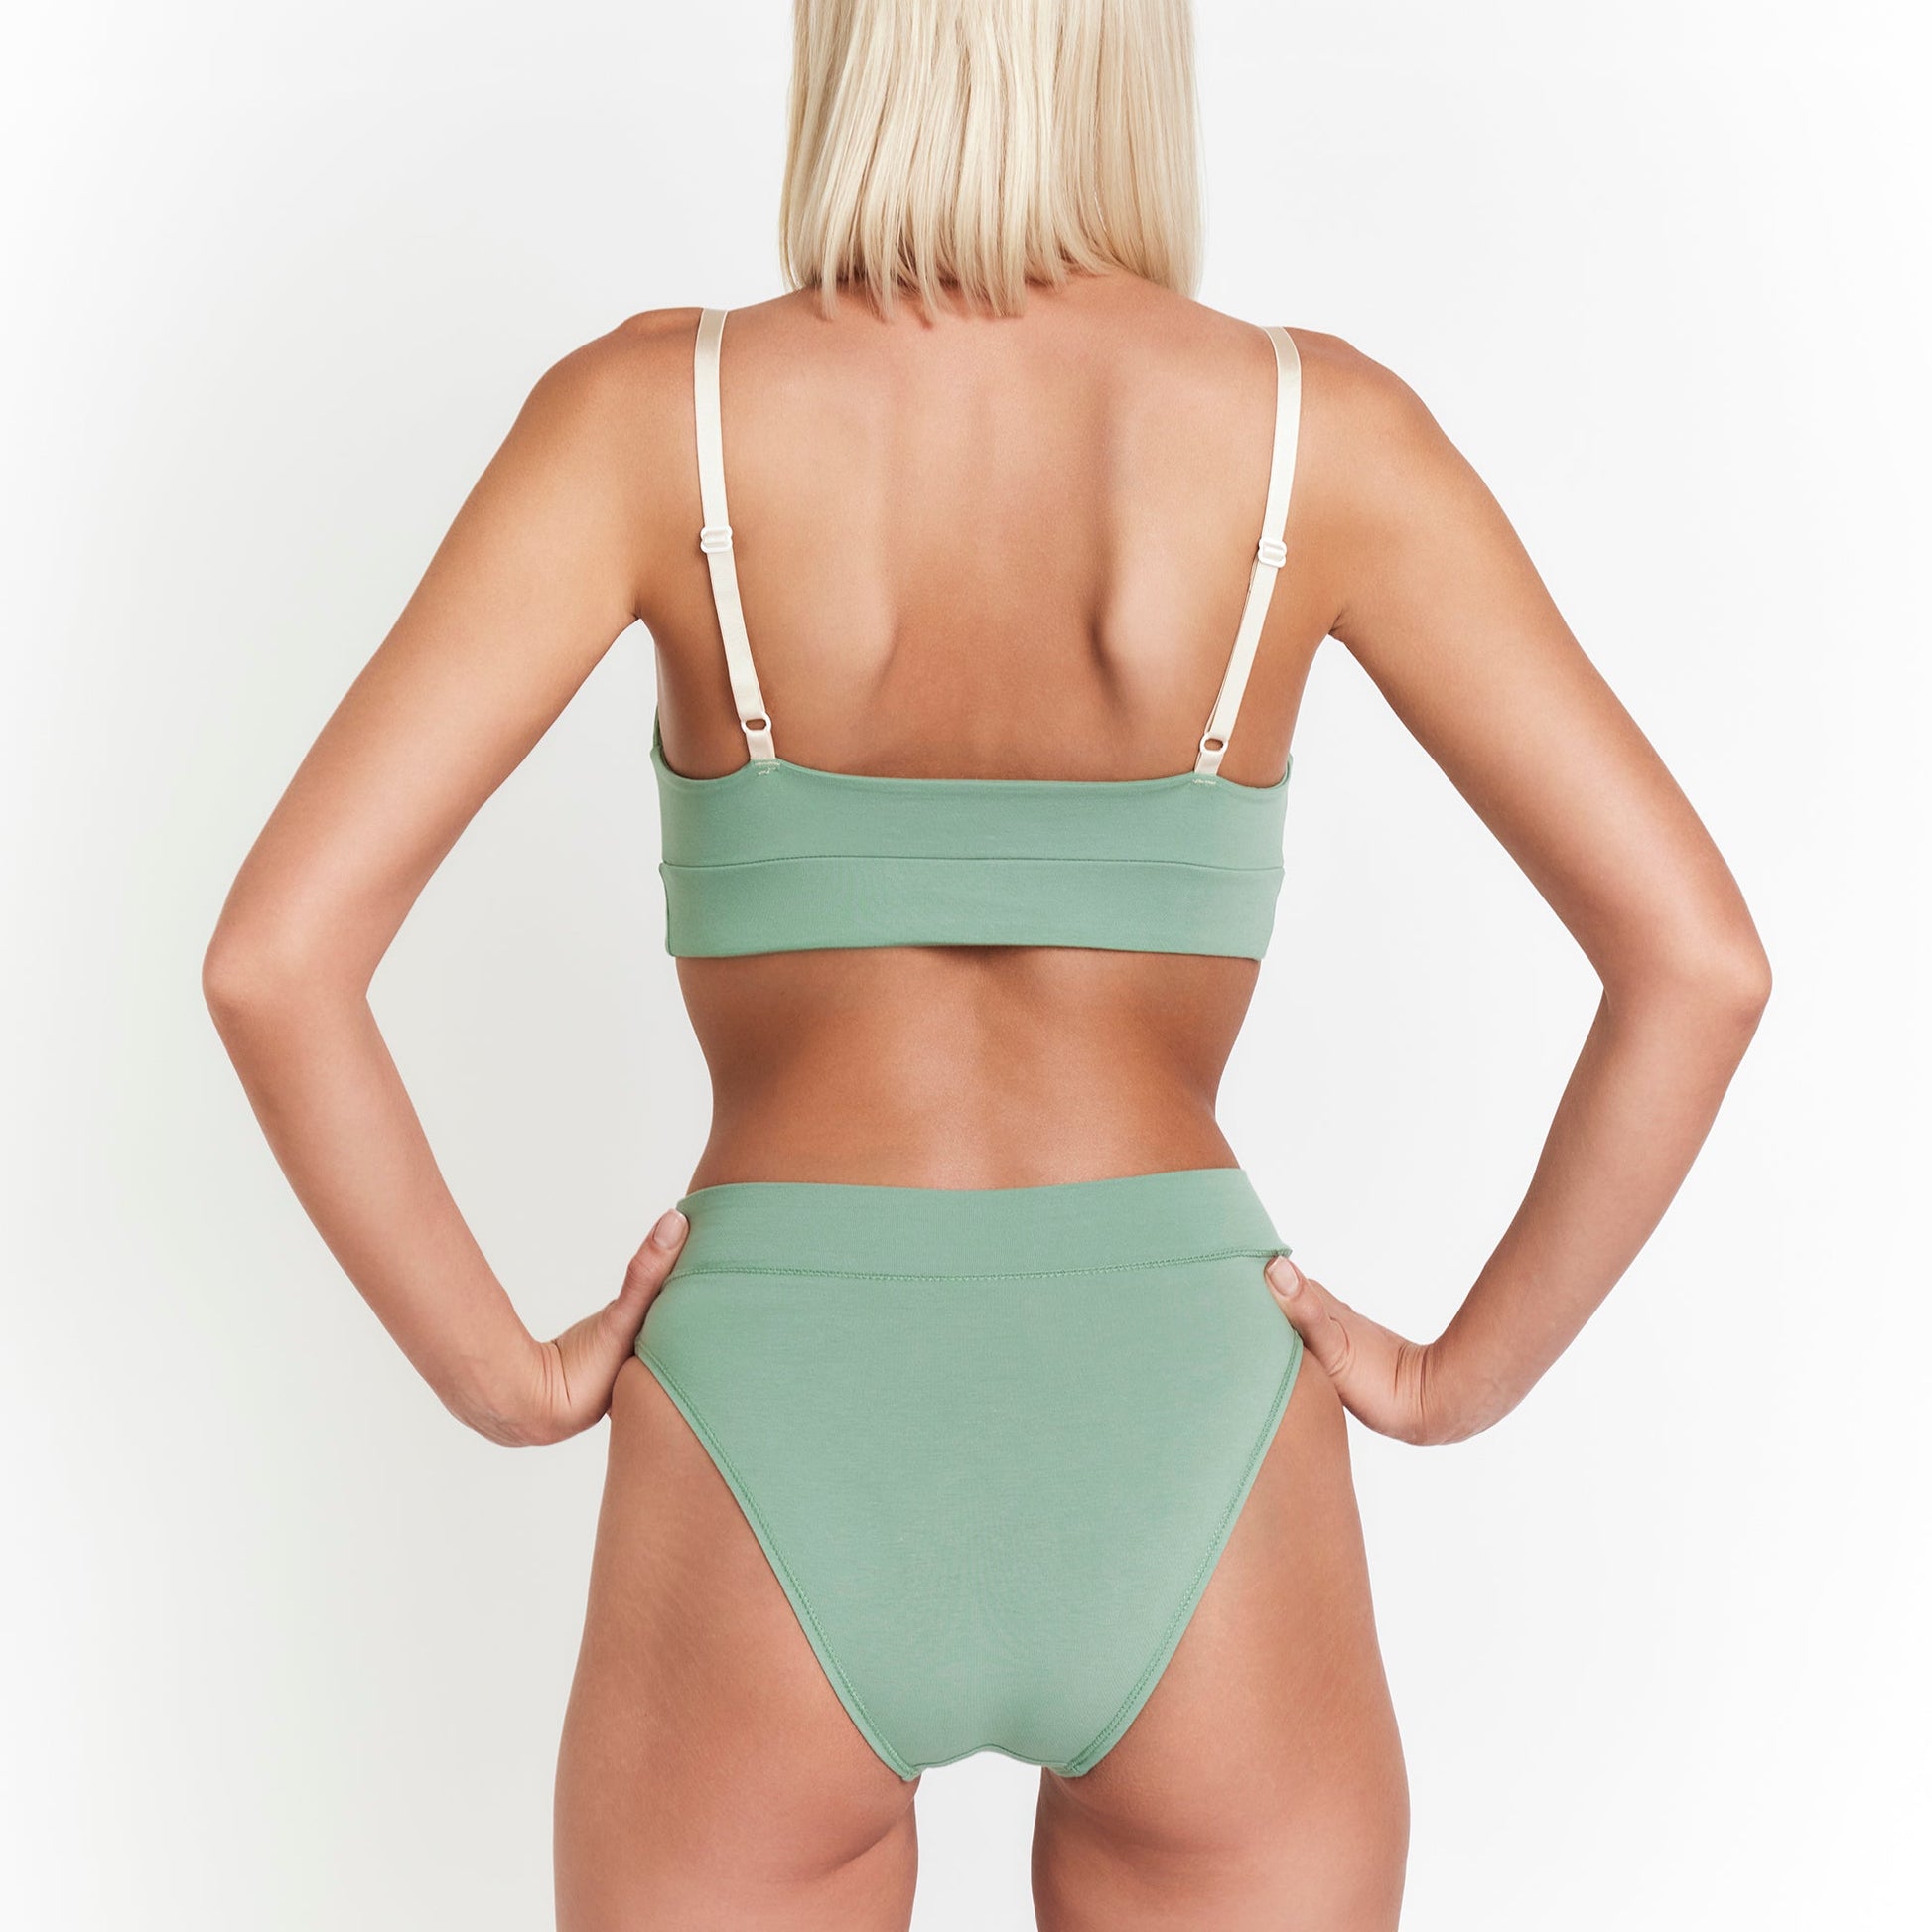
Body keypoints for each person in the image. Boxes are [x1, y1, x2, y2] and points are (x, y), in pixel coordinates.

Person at [203, 3, 1770, 1925]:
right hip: (1180, 1406)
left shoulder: (648, 418)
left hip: (773, 1396)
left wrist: (508, 1377)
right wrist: (1458, 1380)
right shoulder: (1317, 437)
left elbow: (278, 959)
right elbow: (1696, 962)